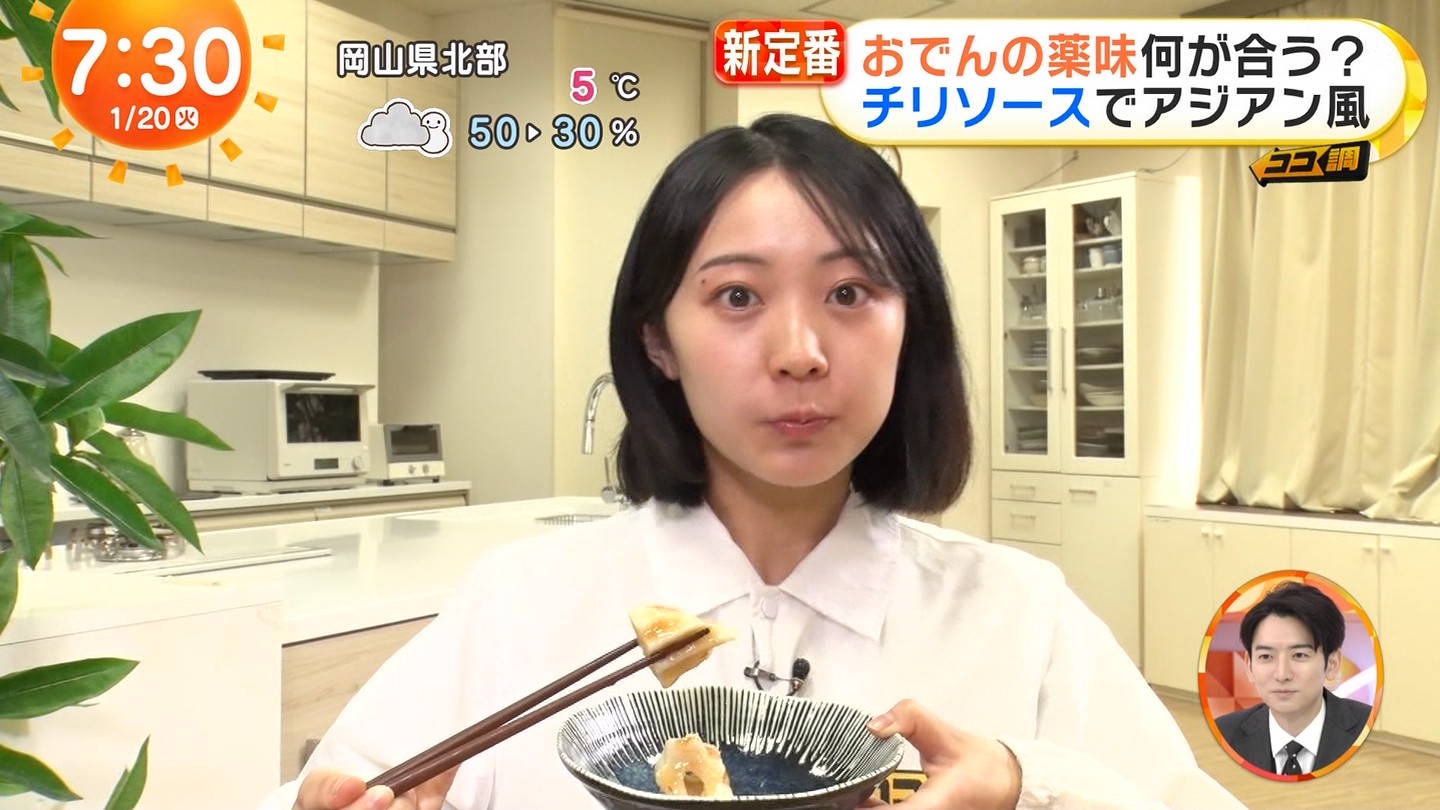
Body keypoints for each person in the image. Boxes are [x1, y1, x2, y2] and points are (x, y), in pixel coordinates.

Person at [261, 114, 1246, 810]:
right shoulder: (521, 605)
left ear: (910, 327)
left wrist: (1029, 785)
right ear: (657, 340)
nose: (800, 352)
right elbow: (337, 788)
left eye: (850, 293)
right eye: (737, 297)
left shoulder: (1018, 616)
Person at [1214, 581, 1373, 776]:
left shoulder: (1367, 729)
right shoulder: (1225, 733)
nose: (1282, 675)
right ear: (1249, 666)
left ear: (1332, 663)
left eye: (1299, 655)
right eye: (1266, 656)